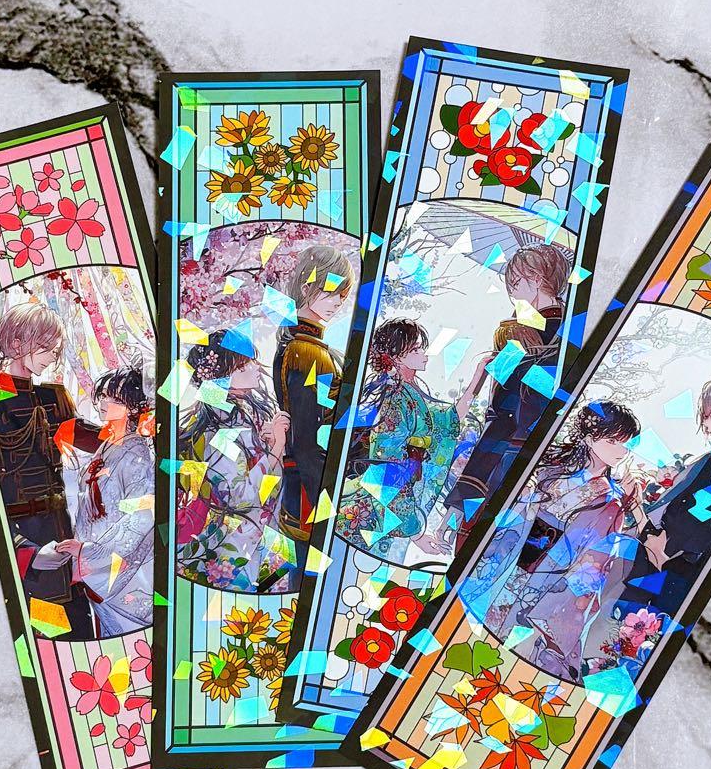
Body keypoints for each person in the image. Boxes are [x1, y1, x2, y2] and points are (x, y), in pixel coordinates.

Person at [473, 401, 642, 683]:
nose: (621, 451)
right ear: (589, 437)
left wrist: (551, 613)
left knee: (509, 662)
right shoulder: (550, 472)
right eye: (613, 441)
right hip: (509, 563)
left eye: (625, 444)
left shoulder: (610, 504)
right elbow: (512, 518)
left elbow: (593, 568)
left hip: (550, 585)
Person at [439, 242, 572, 548]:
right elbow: (499, 409)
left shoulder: (559, 333)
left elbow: (514, 406)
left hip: (520, 459)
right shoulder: (516, 333)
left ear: (536, 278)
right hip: (502, 455)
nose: (512, 292)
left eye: (516, 283)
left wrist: (514, 362)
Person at [0, 302, 98, 640]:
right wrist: (26, 554)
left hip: (63, 544)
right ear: (16, 344)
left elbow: (99, 439)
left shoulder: (53, 398)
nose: (52, 357)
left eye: (55, 349)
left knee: (80, 636)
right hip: (25, 552)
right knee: (46, 641)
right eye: (45, 347)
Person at [615, 371, 711, 622]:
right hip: (650, 569)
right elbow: (669, 512)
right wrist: (638, 507)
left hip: (687, 587)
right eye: (706, 415)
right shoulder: (707, 462)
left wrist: (669, 557)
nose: (708, 423)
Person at [337, 318, 492, 564]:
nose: (425, 355)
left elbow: (449, 420)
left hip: (393, 512)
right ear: (397, 356)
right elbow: (388, 468)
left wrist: (478, 378)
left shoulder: (410, 392)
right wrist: (417, 534)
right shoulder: (395, 398)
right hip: (374, 515)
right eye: (417, 349)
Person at [36, 368, 157, 636]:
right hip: (99, 571)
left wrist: (90, 550)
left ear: (132, 407)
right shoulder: (110, 444)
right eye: (102, 395)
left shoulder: (137, 455)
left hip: (125, 578)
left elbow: (142, 515)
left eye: (114, 398)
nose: (103, 403)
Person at [177, 331, 294, 592]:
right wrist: (276, 447)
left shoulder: (241, 412)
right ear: (219, 376)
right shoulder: (218, 428)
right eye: (243, 365)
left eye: (252, 361)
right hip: (237, 550)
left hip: (262, 537)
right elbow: (240, 496)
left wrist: (267, 443)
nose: (255, 368)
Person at [272, 245, 354, 544]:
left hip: (309, 483)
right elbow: (307, 439)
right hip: (312, 490)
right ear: (307, 287)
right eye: (331, 292)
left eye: (342, 295)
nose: (338, 303)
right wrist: (329, 500)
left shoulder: (305, 345)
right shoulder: (306, 351)